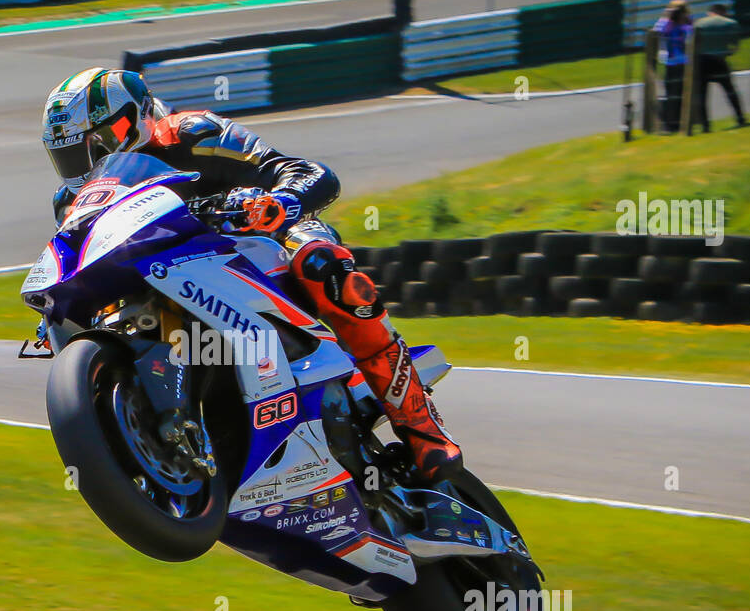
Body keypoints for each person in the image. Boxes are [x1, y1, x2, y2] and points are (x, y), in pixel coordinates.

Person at [40, 67, 463, 481]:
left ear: (135, 116)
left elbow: (305, 172)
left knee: (322, 263)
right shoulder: (74, 199)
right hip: (161, 280)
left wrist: (280, 202)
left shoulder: (195, 133)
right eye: (70, 155)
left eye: (97, 145)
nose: (86, 165)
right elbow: (74, 256)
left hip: (254, 241)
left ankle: (422, 428)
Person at [694, 3, 747, 130]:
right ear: (723, 12)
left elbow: (693, 43)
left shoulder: (699, 24)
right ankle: (740, 117)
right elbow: (734, 46)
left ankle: (705, 125)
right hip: (719, 60)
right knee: (730, 90)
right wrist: (727, 52)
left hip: (703, 61)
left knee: (702, 94)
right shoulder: (730, 23)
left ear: (710, 13)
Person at [653, 0, 694, 132]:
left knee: (677, 93)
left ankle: (676, 123)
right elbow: (657, 32)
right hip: (675, 62)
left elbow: (692, 33)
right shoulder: (669, 23)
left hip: (679, 62)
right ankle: (672, 123)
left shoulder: (685, 22)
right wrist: (669, 18)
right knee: (674, 93)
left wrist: (668, 17)